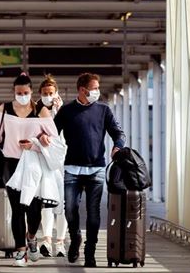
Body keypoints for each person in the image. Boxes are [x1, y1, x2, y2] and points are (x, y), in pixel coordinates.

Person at [0, 73, 58, 267]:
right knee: (17, 208)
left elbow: (54, 139)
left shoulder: (41, 111)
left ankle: (31, 238)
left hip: (34, 163)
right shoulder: (4, 109)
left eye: (26, 92)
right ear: (14, 92)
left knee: (34, 211)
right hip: (11, 164)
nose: (22, 96)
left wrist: (36, 144)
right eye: (18, 92)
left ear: (31, 92)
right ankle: (20, 252)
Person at [53, 73, 126, 267]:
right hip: (72, 169)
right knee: (70, 209)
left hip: (96, 169)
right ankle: (75, 236)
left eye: (97, 88)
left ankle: (90, 252)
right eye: (93, 88)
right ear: (82, 90)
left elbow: (118, 133)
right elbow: (51, 132)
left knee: (94, 213)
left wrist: (117, 145)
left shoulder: (104, 110)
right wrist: (43, 138)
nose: (97, 92)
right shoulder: (67, 111)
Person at [35, 75, 68, 257]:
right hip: (45, 161)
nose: (48, 96)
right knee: (47, 201)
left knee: (63, 203)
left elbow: (66, 132)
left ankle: (60, 242)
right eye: (45, 93)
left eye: (51, 93)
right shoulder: (35, 110)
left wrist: (59, 110)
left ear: (56, 93)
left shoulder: (64, 110)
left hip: (62, 161)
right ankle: (47, 239)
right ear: (40, 94)